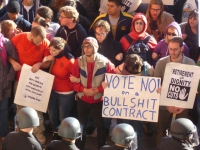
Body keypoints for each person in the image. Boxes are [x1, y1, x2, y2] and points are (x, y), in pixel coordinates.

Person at [70, 37, 115, 150]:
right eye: (85, 46)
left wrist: (97, 90)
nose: (87, 49)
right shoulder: (78, 61)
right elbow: (72, 83)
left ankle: (101, 148)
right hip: (83, 99)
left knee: (101, 126)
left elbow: (111, 83)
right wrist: (84, 90)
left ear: (96, 47)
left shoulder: (106, 63)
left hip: (98, 101)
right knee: (81, 126)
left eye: (89, 46)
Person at [9, 26, 51, 144]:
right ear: (31, 35)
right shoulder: (18, 38)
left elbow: (48, 62)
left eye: (41, 41)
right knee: (20, 107)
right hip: (20, 79)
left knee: (38, 108)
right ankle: (19, 132)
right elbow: (6, 53)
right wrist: (13, 62)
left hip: (37, 81)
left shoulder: (45, 42)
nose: (39, 43)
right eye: (37, 41)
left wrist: (40, 64)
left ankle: (38, 132)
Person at [154, 36, 195, 146]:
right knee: (161, 133)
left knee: (182, 133)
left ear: (182, 49)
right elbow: (156, 87)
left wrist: (184, 106)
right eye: (170, 49)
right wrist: (167, 105)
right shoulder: (161, 63)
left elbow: (193, 88)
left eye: (175, 49)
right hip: (164, 106)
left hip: (183, 106)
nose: (172, 52)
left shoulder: (191, 64)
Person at [47, 37, 75, 140]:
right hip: (53, 91)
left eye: (54, 50)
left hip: (66, 93)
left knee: (63, 118)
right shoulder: (53, 57)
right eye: (50, 49)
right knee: (52, 116)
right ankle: (55, 132)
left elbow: (76, 77)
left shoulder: (70, 61)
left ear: (61, 50)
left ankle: (64, 137)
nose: (51, 52)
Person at [0, 29, 18, 140]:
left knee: (3, 110)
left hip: (3, 84)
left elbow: (15, 60)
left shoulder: (6, 42)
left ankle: (3, 134)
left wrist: (9, 77)